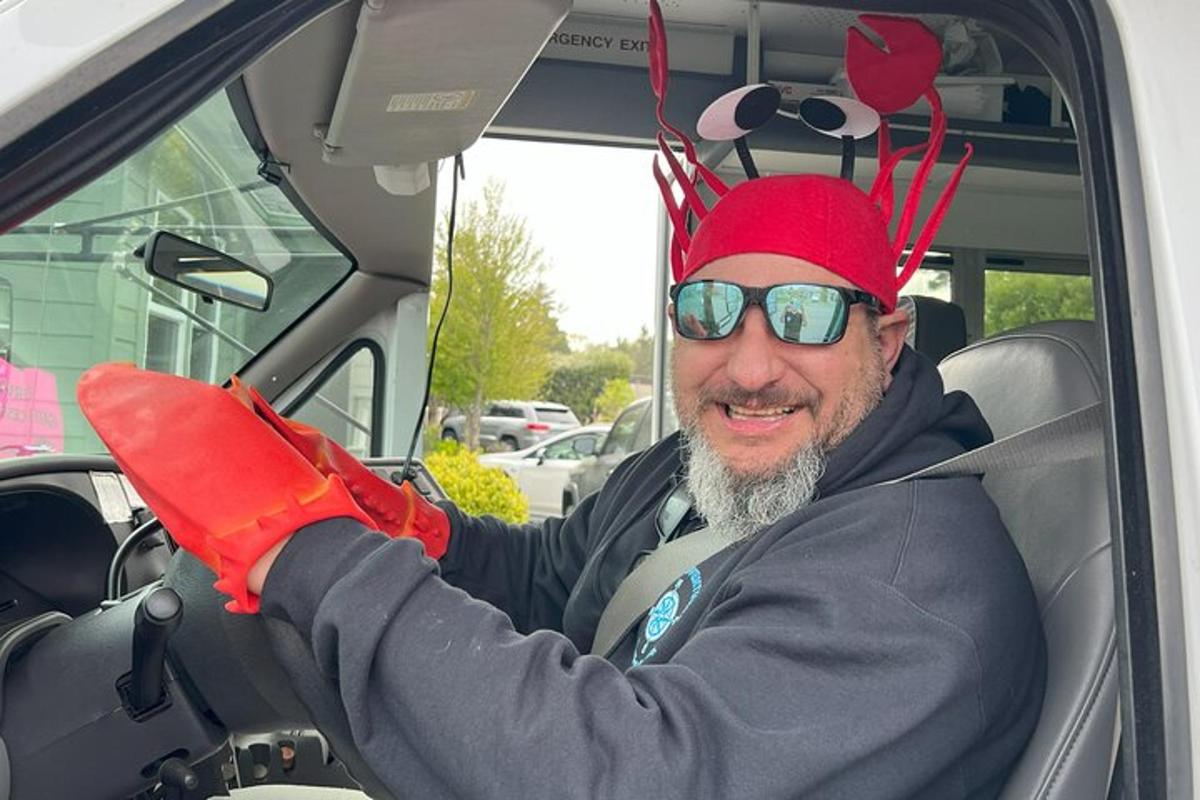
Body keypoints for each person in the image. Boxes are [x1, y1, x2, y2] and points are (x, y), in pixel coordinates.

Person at [79, 5, 1046, 798]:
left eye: (803, 315)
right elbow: (558, 576)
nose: (750, 368)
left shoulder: (913, 575)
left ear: (885, 341)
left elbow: (629, 775)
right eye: (710, 311)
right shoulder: (692, 467)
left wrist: (310, 550)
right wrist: (411, 529)